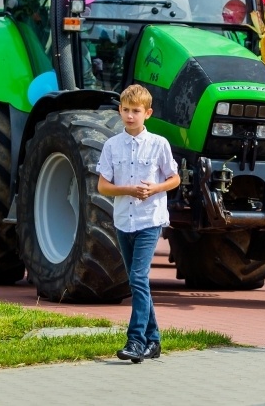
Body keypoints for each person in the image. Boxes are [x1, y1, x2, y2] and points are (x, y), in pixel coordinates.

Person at [96, 84, 181, 363]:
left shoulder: (159, 144)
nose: (130, 116)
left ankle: (135, 340)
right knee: (138, 282)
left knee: (137, 278)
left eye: (136, 111)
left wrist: (155, 189)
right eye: (126, 110)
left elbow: (174, 179)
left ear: (148, 113)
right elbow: (103, 187)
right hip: (123, 221)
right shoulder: (111, 145)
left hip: (149, 220)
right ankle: (154, 340)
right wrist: (129, 190)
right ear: (120, 110)